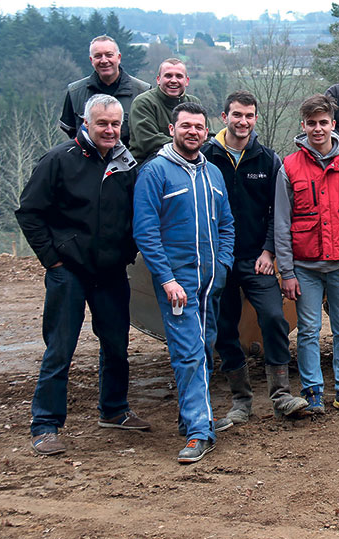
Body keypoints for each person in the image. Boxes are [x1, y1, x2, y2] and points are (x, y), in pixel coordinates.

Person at [17, 94, 149, 456]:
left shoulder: (126, 164)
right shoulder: (59, 160)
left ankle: (114, 409)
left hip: (110, 271)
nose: (110, 130)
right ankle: (45, 424)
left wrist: (129, 251)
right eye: (102, 123)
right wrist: (53, 260)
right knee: (60, 349)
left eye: (115, 124)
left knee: (116, 347)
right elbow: (29, 212)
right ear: (86, 123)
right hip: (69, 272)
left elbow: (136, 215)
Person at [133, 102, 234, 464]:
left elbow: (226, 224)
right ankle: (198, 432)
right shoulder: (155, 172)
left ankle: (193, 414)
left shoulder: (213, 174)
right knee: (188, 353)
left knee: (205, 347)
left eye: (199, 127)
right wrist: (166, 279)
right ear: (172, 129)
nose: (193, 132)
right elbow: (146, 232)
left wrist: (222, 265)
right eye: (186, 126)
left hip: (211, 281)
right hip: (178, 283)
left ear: (207, 132)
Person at [200, 91, 309, 427]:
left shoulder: (266, 159)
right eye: (237, 115)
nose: (243, 121)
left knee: (275, 318)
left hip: (256, 257)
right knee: (224, 327)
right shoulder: (205, 156)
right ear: (224, 117)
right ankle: (241, 399)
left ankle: (281, 395)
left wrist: (269, 250)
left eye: (249, 115)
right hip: (218, 260)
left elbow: (278, 211)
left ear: (256, 119)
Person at [274, 94, 339, 416]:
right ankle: (313, 391)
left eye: (323, 123)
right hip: (305, 266)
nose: (317, 129)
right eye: (311, 123)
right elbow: (281, 222)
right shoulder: (289, 167)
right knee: (307, 330)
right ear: (302, 126)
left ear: (334, 125)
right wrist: (287, 272)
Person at [59, 36, 150, 147]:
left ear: (119, 57)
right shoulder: (75, 92)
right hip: (87, 161)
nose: (104, 60)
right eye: (98, 56)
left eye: (109, 55)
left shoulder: (143, 92)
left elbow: (148, 134)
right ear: (91, 60)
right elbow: (70, 130)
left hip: (131, 162)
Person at [130, 58, 201, 163]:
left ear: (186, 81)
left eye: (179, 76)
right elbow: (148, 141)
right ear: (158, 79)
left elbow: (207, 136)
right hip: (148, 164)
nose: (173, 80)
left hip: (189, 163)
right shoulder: (143, 102)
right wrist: (189, 145)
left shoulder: (194, 102)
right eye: (168, 76)